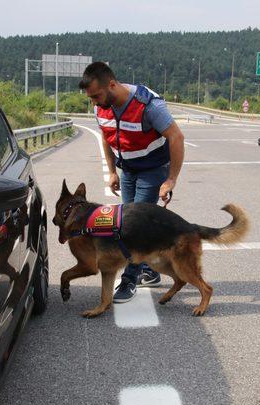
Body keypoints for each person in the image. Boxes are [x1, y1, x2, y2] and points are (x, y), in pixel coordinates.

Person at [78, 62, 185, 303]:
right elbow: (107, 137)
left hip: (153, 170)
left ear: (112, 85)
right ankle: (149, 270)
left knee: (133, 227)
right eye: (90, 98)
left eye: (96, 95)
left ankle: (129, 280)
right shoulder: (101, 107)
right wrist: (112, 171)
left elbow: (176, 137)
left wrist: (171, 179)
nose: (93, 102)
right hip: (128, 170)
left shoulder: (148, 105)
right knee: (125, 222)